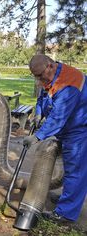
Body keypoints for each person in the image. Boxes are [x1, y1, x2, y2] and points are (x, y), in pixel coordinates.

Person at [23, 54, 87, 223]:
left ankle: (65, 214)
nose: (38, 79)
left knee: (75, 171)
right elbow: (44, 96)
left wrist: (37, 137)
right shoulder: (51, 75)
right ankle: (70, 199)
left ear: (50, 65)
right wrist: (38, 113)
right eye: (35, 76)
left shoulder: (69, 82)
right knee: (71, 168)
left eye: (39, 75)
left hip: (80, 129)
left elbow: (59, 117)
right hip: (70, 127)